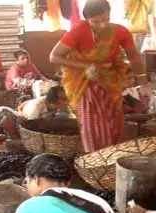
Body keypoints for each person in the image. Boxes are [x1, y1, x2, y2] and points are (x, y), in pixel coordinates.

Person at [50, 0, 144, 153]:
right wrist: (86, 66)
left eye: (106, 19)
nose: (102, 25)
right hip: (84, 82)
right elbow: (54, 56)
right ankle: (94, 157)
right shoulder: (78, 31)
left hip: (110, 81)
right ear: (86, 19)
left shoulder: (120, 31)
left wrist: (142, 79)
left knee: (113, 121)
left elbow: (134, 57)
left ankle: (111, 154)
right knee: (92, 124)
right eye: (96, 21)